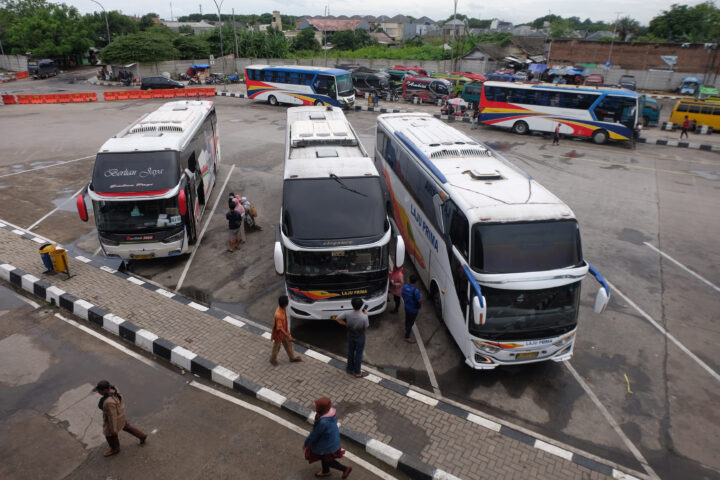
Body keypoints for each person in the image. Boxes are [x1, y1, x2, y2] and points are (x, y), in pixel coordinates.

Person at [93, 380, 147, 457]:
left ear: (105, 390)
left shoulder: (109, 402)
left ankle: (115, 448)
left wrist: (114, 430)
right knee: (126, 426)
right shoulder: (114, 389)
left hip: (115, 419)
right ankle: (142, 435)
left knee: (109, 435)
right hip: (120, 415)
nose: (98, 392)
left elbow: (112, 416)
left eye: (99, 390)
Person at [303, 397, 352, 478]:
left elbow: (314, 435)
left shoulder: (323, 422)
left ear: (321, 409)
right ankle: (326, 471)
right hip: (333, 441)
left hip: (328, 445)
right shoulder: (330, 415)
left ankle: (345, 469)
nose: (316, 408)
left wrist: (306, 444)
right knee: (324, 458)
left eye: (317, 407)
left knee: (327, 460)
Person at [333, 298, 369, 378]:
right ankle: (357, 372)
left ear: (352, 305)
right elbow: (366, 326)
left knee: (351, 352)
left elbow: (337, 319)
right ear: (361, 306)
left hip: (350, 335)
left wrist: (346, 324)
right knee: (359, 354)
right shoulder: (364, 317)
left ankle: (349, 369)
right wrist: (365, 314)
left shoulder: (347, 313)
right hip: (360, 337)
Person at [270, 295, 302, 366]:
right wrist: (289, 336)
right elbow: (279, 328)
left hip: (285, 331)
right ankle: (273, 359)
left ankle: (292, 358)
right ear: (286, 304)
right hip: (279, 334)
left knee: (289, 344)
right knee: (277, 347)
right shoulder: (278, 315)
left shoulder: (282, 309)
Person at [401, 275, 422, 343]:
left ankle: (407, 328)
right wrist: (420, 296)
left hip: (407, 307)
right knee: (411, 322)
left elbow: (402, 295)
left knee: (407, 320)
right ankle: (407, 336)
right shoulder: (416, 291)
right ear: (416, 282)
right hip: (413, 310)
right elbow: (420, 301)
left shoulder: (404, 287)